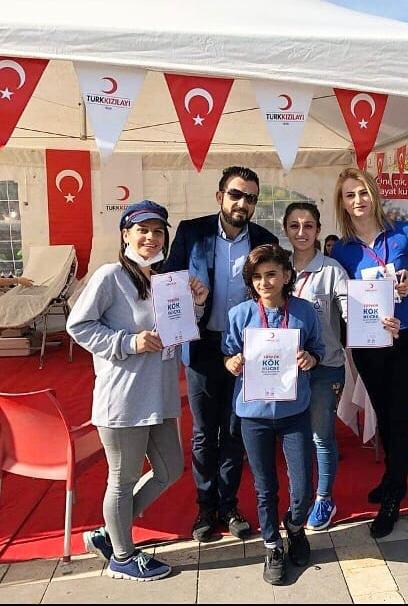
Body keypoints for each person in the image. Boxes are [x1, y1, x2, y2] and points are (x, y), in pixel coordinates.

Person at [67, 201, 209, 581]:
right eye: (142, 230)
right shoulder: (110, 276)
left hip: (160, 395)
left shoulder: (165, 280)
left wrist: (195, 305)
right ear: (126, 234)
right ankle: (123, 556)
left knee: (170, 469)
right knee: (123, 478)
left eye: (158, 231)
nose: (151, 237)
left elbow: (178, 330)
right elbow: (78, 326)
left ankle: (109, 533)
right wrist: (129, 343)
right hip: (124, 398)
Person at [163, 166, 278, 542]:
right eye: (236, 194)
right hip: (202, 345)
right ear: (220, 197)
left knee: (234, 430)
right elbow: (168, 282)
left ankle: (228, 506)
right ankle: (205, 507)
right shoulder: (192, 233)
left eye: (250, 198)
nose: (243, 203)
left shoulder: (264, 239)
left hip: (246, 349)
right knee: (203, 432)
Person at [282, 202, 400, 531]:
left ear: (318, 230)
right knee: (295, 438)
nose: (302, 232)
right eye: (294, 226)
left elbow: (352, 311)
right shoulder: (279, 267)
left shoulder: (332, 270)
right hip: (285, 371)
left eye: (308, 226)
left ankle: (324, 498)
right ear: (286, 230)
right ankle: (300, 496)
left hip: (325, 367)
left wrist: (379, 324)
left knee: (321, 436)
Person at [330, 167, 408, 538]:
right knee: (384, 414)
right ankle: (394, 477)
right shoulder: (341, 250)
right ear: (342, 203)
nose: (358, 200)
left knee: (399, 416)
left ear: (373, 194)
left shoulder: (403, 232)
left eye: (362, 192)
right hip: (370, 344)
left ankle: (393, 493)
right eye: (350, 195)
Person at [222, 244, 325, 585]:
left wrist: (311, 358)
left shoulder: (304, 311)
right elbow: (228, 353)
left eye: (271, 274)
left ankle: (294, 526)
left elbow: (318, 349)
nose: (264, 283)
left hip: (294, 410)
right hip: (254, 414)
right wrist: (232, 362)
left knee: (303, 487)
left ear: (286, 275)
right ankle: (272, 545)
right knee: (265, 486)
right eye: (257, 277)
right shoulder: (240, 314)